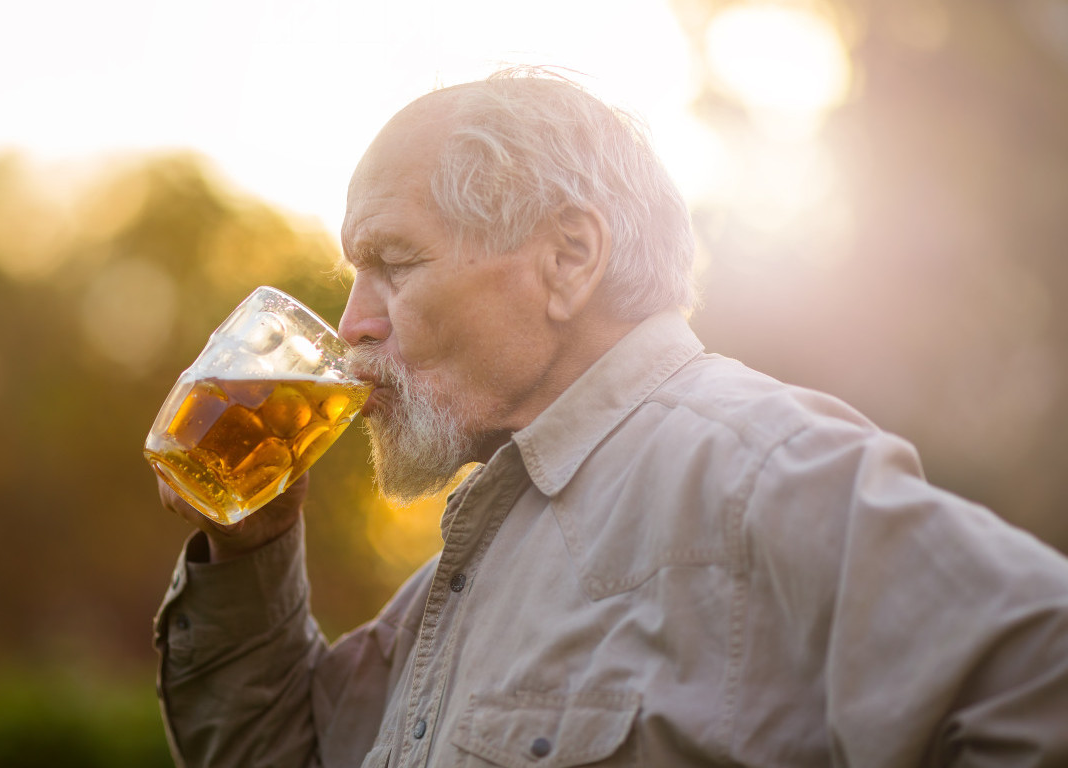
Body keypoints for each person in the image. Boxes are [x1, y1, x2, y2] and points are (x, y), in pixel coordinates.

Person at [152, 70, 1068, 767]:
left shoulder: (749, 467)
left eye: (394, 261)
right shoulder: (468, 565)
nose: (354, 323)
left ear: (567, 258)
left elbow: (1041, 666)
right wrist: (253, 543)